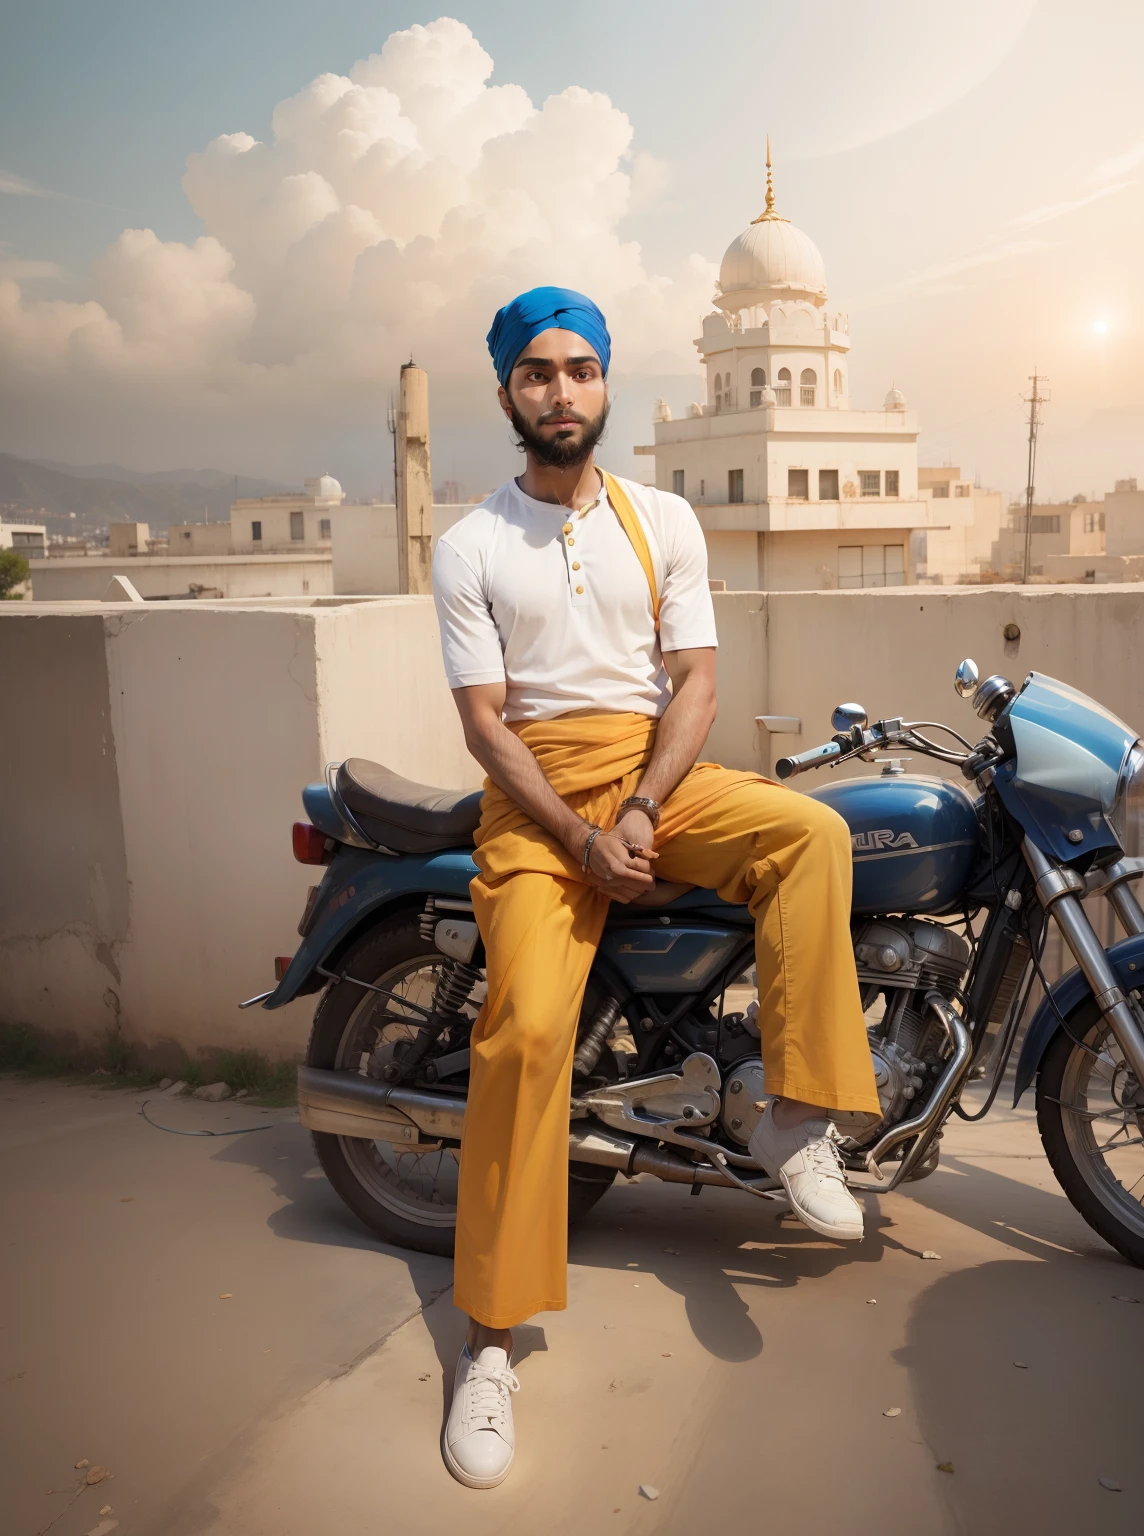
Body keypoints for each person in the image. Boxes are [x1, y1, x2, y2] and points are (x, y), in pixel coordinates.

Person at [430, 286, 880, 1489]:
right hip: (535, 803)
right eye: (537, 372)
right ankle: (489, 1342)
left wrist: (636, 811)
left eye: (580, 368)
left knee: (811, 835)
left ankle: (794, 1118)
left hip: (656, 775)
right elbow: (486, 728)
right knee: (525, 1030)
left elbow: (693, 686)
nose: (561, 390)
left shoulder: (662, 519)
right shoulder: (469, 544)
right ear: (509, 393)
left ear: (606, 382)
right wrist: (580, 838)